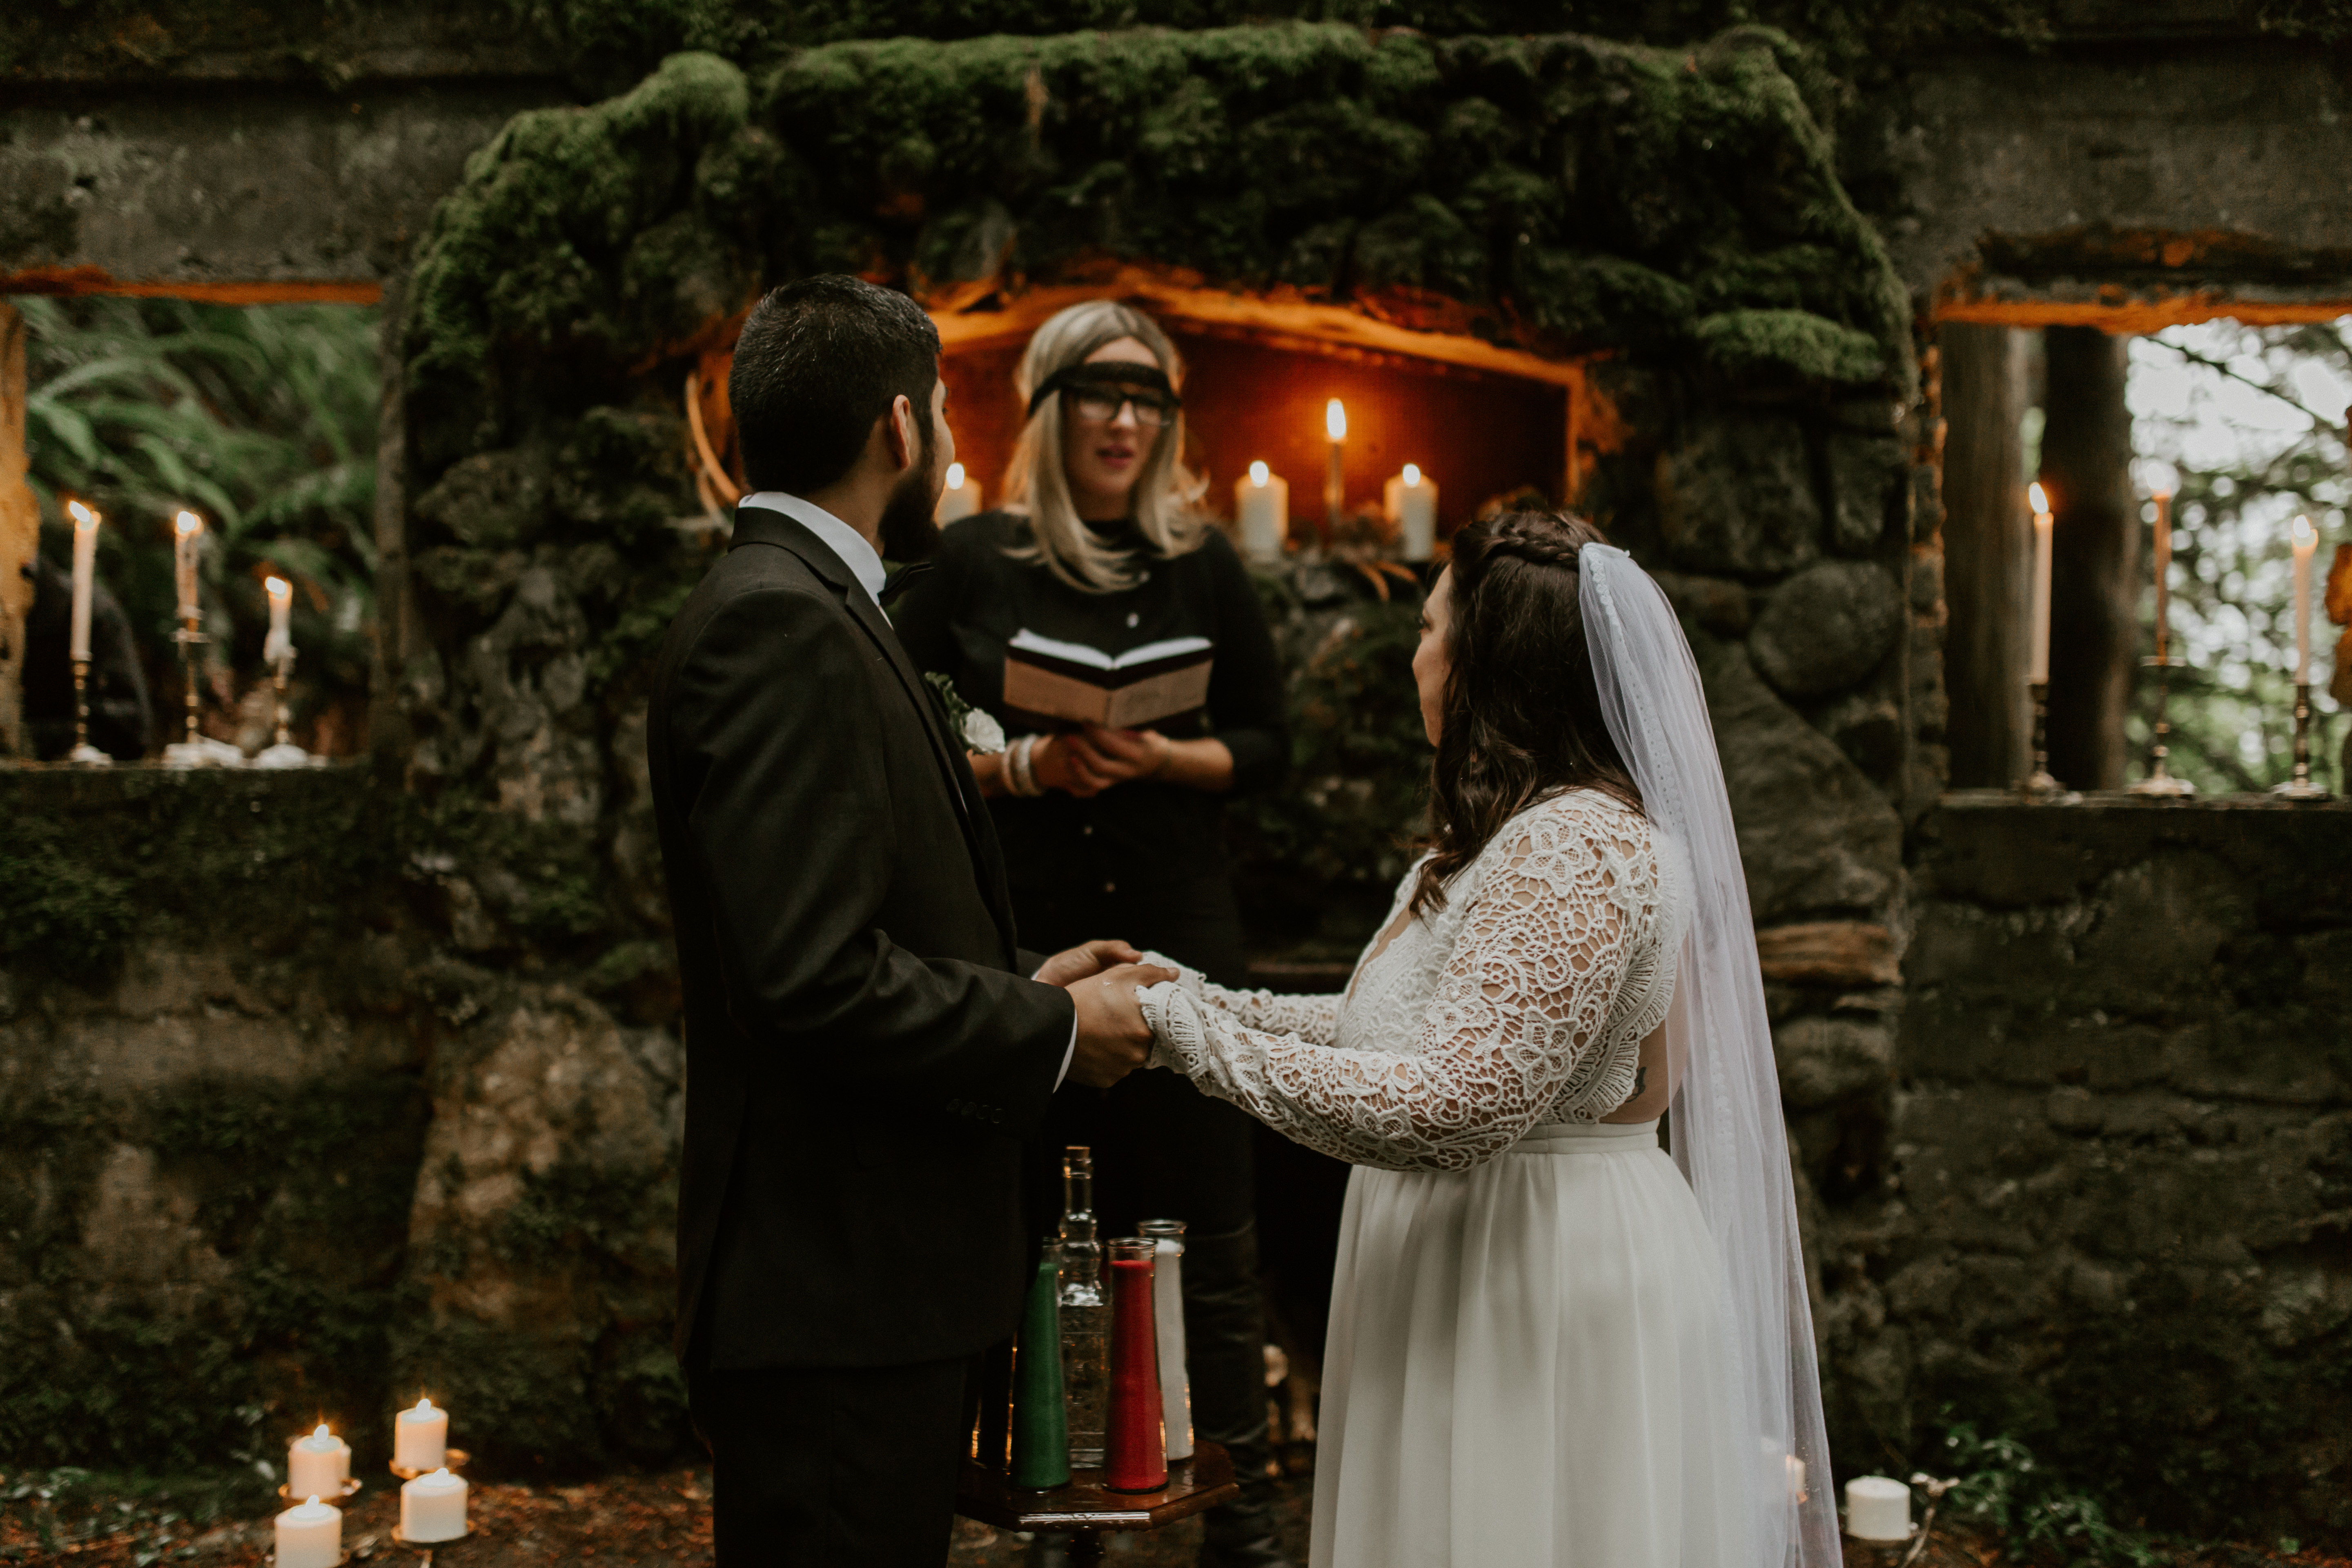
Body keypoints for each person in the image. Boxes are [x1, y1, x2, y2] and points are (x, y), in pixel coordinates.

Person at [1111, 511, 1844, 1568]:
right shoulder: (1499, 844)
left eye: (1427, 628)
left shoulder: (1579, 847)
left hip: (1537, 1273)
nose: (1415, 651)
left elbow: (1454, 1103)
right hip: (1472, 1258)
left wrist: (1173, 1034)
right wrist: (1201, 997)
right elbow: (1391, 1034)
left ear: (1486, 664)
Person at [645, 275, 1174, 1568]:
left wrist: (1017, 976)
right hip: (838, 1297)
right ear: (899, 429)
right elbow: (809, 979)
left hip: (866, 1290)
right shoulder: (780, 623)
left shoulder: (811, 604)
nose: (946, 441)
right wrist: (1049, 1028)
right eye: (941, 411)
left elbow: (840, 923)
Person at [890, 300, 1295, 1568]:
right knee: (1048, 1233)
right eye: (1100, 395)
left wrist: (1167, 754)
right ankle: (1059, 1519)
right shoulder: (974, 562)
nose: (1126, 421)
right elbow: (908, 715)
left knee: (1212, 1238)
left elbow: (1273, 743)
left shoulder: (1206, 565)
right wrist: (1021, 766)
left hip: (1179, 932)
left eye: (1149, 401)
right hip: (1035, 948)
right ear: (1051, 411)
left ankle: (1248, 1520)